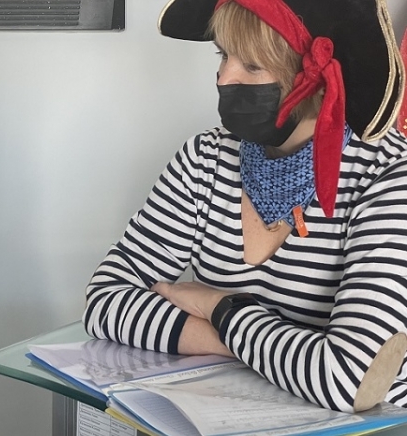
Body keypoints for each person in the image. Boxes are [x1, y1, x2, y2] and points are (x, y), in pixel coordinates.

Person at [83, 0, 407, 413]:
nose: (224, 77)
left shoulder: (389, 176)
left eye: (252, 65)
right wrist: (245, 346)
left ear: (320, 80)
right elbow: (104, 299)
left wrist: (218, 305)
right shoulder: (205, 158)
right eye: (223, 54)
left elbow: (352, 380)